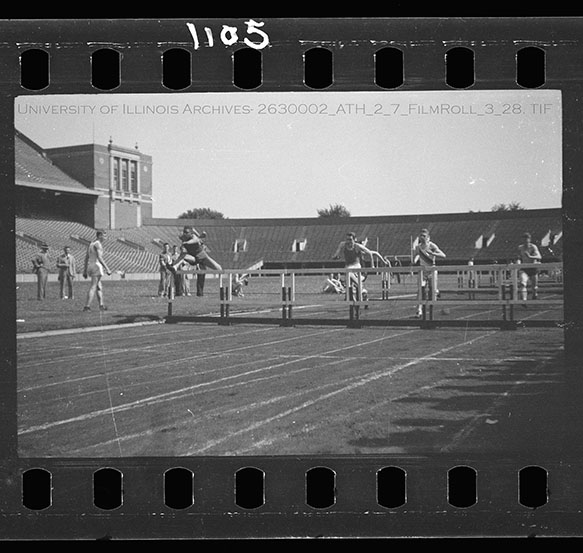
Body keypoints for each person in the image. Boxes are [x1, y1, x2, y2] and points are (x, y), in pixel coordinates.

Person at [332, 232, 385, 303]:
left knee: (349, 274)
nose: (348, 242)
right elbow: (337, 253)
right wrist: (335, 256)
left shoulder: (358, 247)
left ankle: (355, 292)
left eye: (350, 240)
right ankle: (357, 293)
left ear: (354, 240)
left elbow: (372, 253)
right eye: (347, 239)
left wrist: (373, 265)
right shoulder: (343, 244)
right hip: (349, 267)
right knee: (349, 277)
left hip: (358, 268)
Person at [169, 227, 222, 292]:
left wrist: (187, 242)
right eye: (184, 232)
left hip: (202, 257)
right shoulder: (183, 236)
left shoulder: (194, 237)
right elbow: (180, 235)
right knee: (183, 255)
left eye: (187, 232)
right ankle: (174, 266)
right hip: (193, 258)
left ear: (190, 233)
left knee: (219, 268)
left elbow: (194, 240)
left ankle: (221, 286)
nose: (185, 234)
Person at [412, 228, 446, 318]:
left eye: (424, 236)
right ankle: (419, 310)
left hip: (432, 270)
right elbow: (417, 255)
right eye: (421, 236)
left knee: (433, 291)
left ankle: (436, 291)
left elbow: (443, 255)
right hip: (423, 271)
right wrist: (414, 260)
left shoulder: (432, 245)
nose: (422, 237)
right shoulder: (418, 247)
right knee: (420, 290)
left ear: (428, 237)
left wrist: (433, 253)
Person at [82, 230, 112, 312]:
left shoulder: (91, 244)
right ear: (99, 236)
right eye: (104, 235)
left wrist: (85, 270)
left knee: (99, 287)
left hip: (91, 265)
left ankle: (101, 305)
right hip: (96, 265)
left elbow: (86, 258)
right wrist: (107, 268)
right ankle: (87, 306)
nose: (105, 237)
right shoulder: (98, 244)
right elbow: (99, 257)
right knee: (93, 286)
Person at [517, 232, 542, 302]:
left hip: (533, 268)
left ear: (529, 240)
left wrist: (530, 256)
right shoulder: (520, 248)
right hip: (524, 268)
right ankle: (524, 300)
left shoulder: (533, 247)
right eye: (523, 240)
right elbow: (519, 257)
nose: (525, 242)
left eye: (526, 240)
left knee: (534, 287)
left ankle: (534, 295)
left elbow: (539, 256)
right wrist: (518, 263)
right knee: (523, 283)